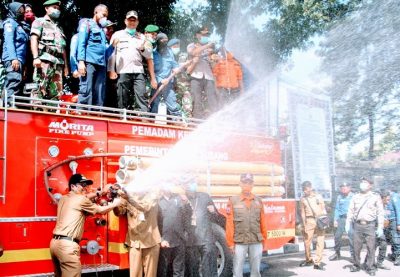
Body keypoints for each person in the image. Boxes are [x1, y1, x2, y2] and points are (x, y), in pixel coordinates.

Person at [50, 173, 122, 277]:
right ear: (73, 186)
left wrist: (99, 193)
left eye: (86, 185)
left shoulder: (63, 199)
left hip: (55, 245)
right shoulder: (80, 200)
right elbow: (101, 210)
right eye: (82, 185)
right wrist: (116, 203)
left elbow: (84, 200)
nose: (85, 188)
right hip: (68, 246)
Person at [108, 11, 152, 112]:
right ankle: (123, 118)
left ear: (137, 22)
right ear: (125, 21)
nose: (132, 22)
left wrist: (143, 49)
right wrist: (111, 70)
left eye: (134, 20)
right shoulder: (117, 35)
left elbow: (149, 55)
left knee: (142, 95)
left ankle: (144, 118)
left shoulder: (142, 37)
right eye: (130, 20)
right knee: (122, 96)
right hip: (123, 70)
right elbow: (111, 54)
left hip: (138, 71)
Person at [225, 173, 267, 277]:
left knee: (256, 272)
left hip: (256, 241)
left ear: (253, 184)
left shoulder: (258, 201)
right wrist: (230, 243)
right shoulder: (233, 201)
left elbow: (262, 221)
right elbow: (230, 224)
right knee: (237, 270)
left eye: (249, 183)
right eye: (245, 182)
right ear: (240, 184)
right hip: (240, 241)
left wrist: (264, 240)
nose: (247, 185)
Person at [113, 188, 161, 277]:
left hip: (151, 241)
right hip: (135, 241)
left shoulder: (153, 194)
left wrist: (128, 198)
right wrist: (115, 199)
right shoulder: (128, 197)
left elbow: (144, 207)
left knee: (150, 275)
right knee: (134, 274)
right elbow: (119, 212)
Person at [31, 0, 68, 101]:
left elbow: (63, 47)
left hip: (58, 63)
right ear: (46, 9)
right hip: (44, 61)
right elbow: (34, 39)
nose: (57, 10)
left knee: (56, 94)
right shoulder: (39, 22)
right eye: (54, 7)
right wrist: (35, 57)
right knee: (39, 90)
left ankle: (52, 115)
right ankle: (36, 115)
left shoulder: (59, 27)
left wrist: (66, 66)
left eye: (58, 8)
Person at [345, 178, 384, 276]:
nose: (363, 184)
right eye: (362, 182)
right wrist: (347, 223)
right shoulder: (355, 196)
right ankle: (356, 265)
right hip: (357, 225)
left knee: (371, 247)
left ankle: (370, 267)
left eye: (365, 183)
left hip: (370, 225)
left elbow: (380, 212)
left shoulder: (375, 196)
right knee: (356, 247)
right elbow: (350, 210)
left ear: (370, 185)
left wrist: (380, 227)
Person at [181, 175, 218, 277]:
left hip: (206, 239)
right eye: (188, 183)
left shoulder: (205, 196)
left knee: (209, 270)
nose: (192, 185)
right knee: (193, 270)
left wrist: (213, 211)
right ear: (184, 187)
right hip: (191, 240)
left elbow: (217, 218)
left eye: (193, 182)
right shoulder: (181, 200)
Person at [77, 4, 109, 107]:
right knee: (86, 89)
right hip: (89, 63)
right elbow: (81, 43)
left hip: (101, 64)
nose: (105, 18)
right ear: (96, 13)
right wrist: (81, 62)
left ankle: (96, 115)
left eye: (106, 16)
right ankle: (82, 116)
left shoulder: (103, 30)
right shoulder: (87, 24)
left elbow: (104, 49)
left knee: (99, 92)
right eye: (103, 15)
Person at [157, 184, 191, 277]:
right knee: (163, 268)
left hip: (179, 239)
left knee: (179, 269)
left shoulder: (178, 198)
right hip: (165, 241)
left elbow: (187, 216)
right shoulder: (158, 202)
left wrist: (187, 203)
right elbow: (156, 223)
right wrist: (161, 239)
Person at [186, 26, 218, 118]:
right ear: (197, 35)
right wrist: (207, 46)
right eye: (203, 34)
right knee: (196, 99)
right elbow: (194, 53)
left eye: (207, 35)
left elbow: (214, 63)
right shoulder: (191, 45)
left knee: (212, 99)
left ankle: (215, 119)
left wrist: (214, 58)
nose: (206, 36)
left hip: (209, 77)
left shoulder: (211, 48)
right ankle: (197, 120)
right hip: (195, 76)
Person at [1, 2, 29, 105]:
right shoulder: (10, 23)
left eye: (22, 10)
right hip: (13, 58)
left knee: (17, 82)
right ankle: (8, 106)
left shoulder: (19, 25)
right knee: (13, 80)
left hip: (20, 59)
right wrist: (13, 58)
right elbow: (9, 41)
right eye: (19, 10)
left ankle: (9, 105)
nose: (21, 12)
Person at [150, 33, 181, 117]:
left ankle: (178, 122)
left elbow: (174, 64)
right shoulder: (152, 53)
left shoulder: (170, 52)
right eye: (162, 40)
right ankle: (151, 123)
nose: (165, 42)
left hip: (168, 83)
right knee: (154, 105)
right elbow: (150, 70)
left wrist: (176, 68)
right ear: (158, 41)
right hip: (156, 84)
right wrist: (160, 80)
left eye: (166, 40)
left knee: (172, 104)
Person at [299, 181, 327, 270]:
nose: (305, 191)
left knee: (320, 240)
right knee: (307, 241)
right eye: (303, 189)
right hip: (309, 220)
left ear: (310, 188)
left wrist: (324, 221)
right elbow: (302, 213)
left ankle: (317, 262)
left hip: (319, 220)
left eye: (306, 189)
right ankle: (308, 260)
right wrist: (303, 224)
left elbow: (323, 209)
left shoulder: (318, 196)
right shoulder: (303, 199)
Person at [168, 38, 193, 119]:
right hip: (173, 85)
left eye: (177, 46)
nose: (177, 47)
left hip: (184, 85)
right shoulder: (167, 56)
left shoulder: (183, 55)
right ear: (170, 47)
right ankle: (176, 121)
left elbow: (183, 67)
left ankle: (187, 121)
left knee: (187, 104)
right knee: (175, 105)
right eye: (174, 46)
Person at [329, 182, 354, 261]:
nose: (343, 189)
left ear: (349, 188)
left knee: (351, 237)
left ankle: (353, 255)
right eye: (342, 187)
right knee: (337, 236)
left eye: (345, 187)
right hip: (341, 219)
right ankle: (337, 253)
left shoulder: (354, 197)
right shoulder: (339, 197)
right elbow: (337, 209)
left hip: (350, 219)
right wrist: (335, 219)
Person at [374, 189, 392, 270]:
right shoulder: (376, 206)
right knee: (374, 246)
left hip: (382, 229)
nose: (388, 201)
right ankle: (369, 262)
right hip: (374, 229)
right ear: (383, 198)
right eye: (387, 199)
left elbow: (387, 216)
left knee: (380, 245)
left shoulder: (385, 206)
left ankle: (379, 262)